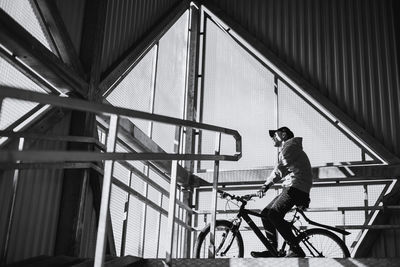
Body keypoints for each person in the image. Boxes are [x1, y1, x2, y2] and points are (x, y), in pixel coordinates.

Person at [251, 126, 313, 258]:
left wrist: (266, 185)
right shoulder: (290, 148)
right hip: (294, 187)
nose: (272, 137)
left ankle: (295, 249)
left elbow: (280, 169)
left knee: (273, 215)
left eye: (275, 134)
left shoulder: (290, 147)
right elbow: (282, 169)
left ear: (284, 134)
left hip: (297, 187)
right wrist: (265, 186)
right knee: (265, 214)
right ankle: (273, 250)